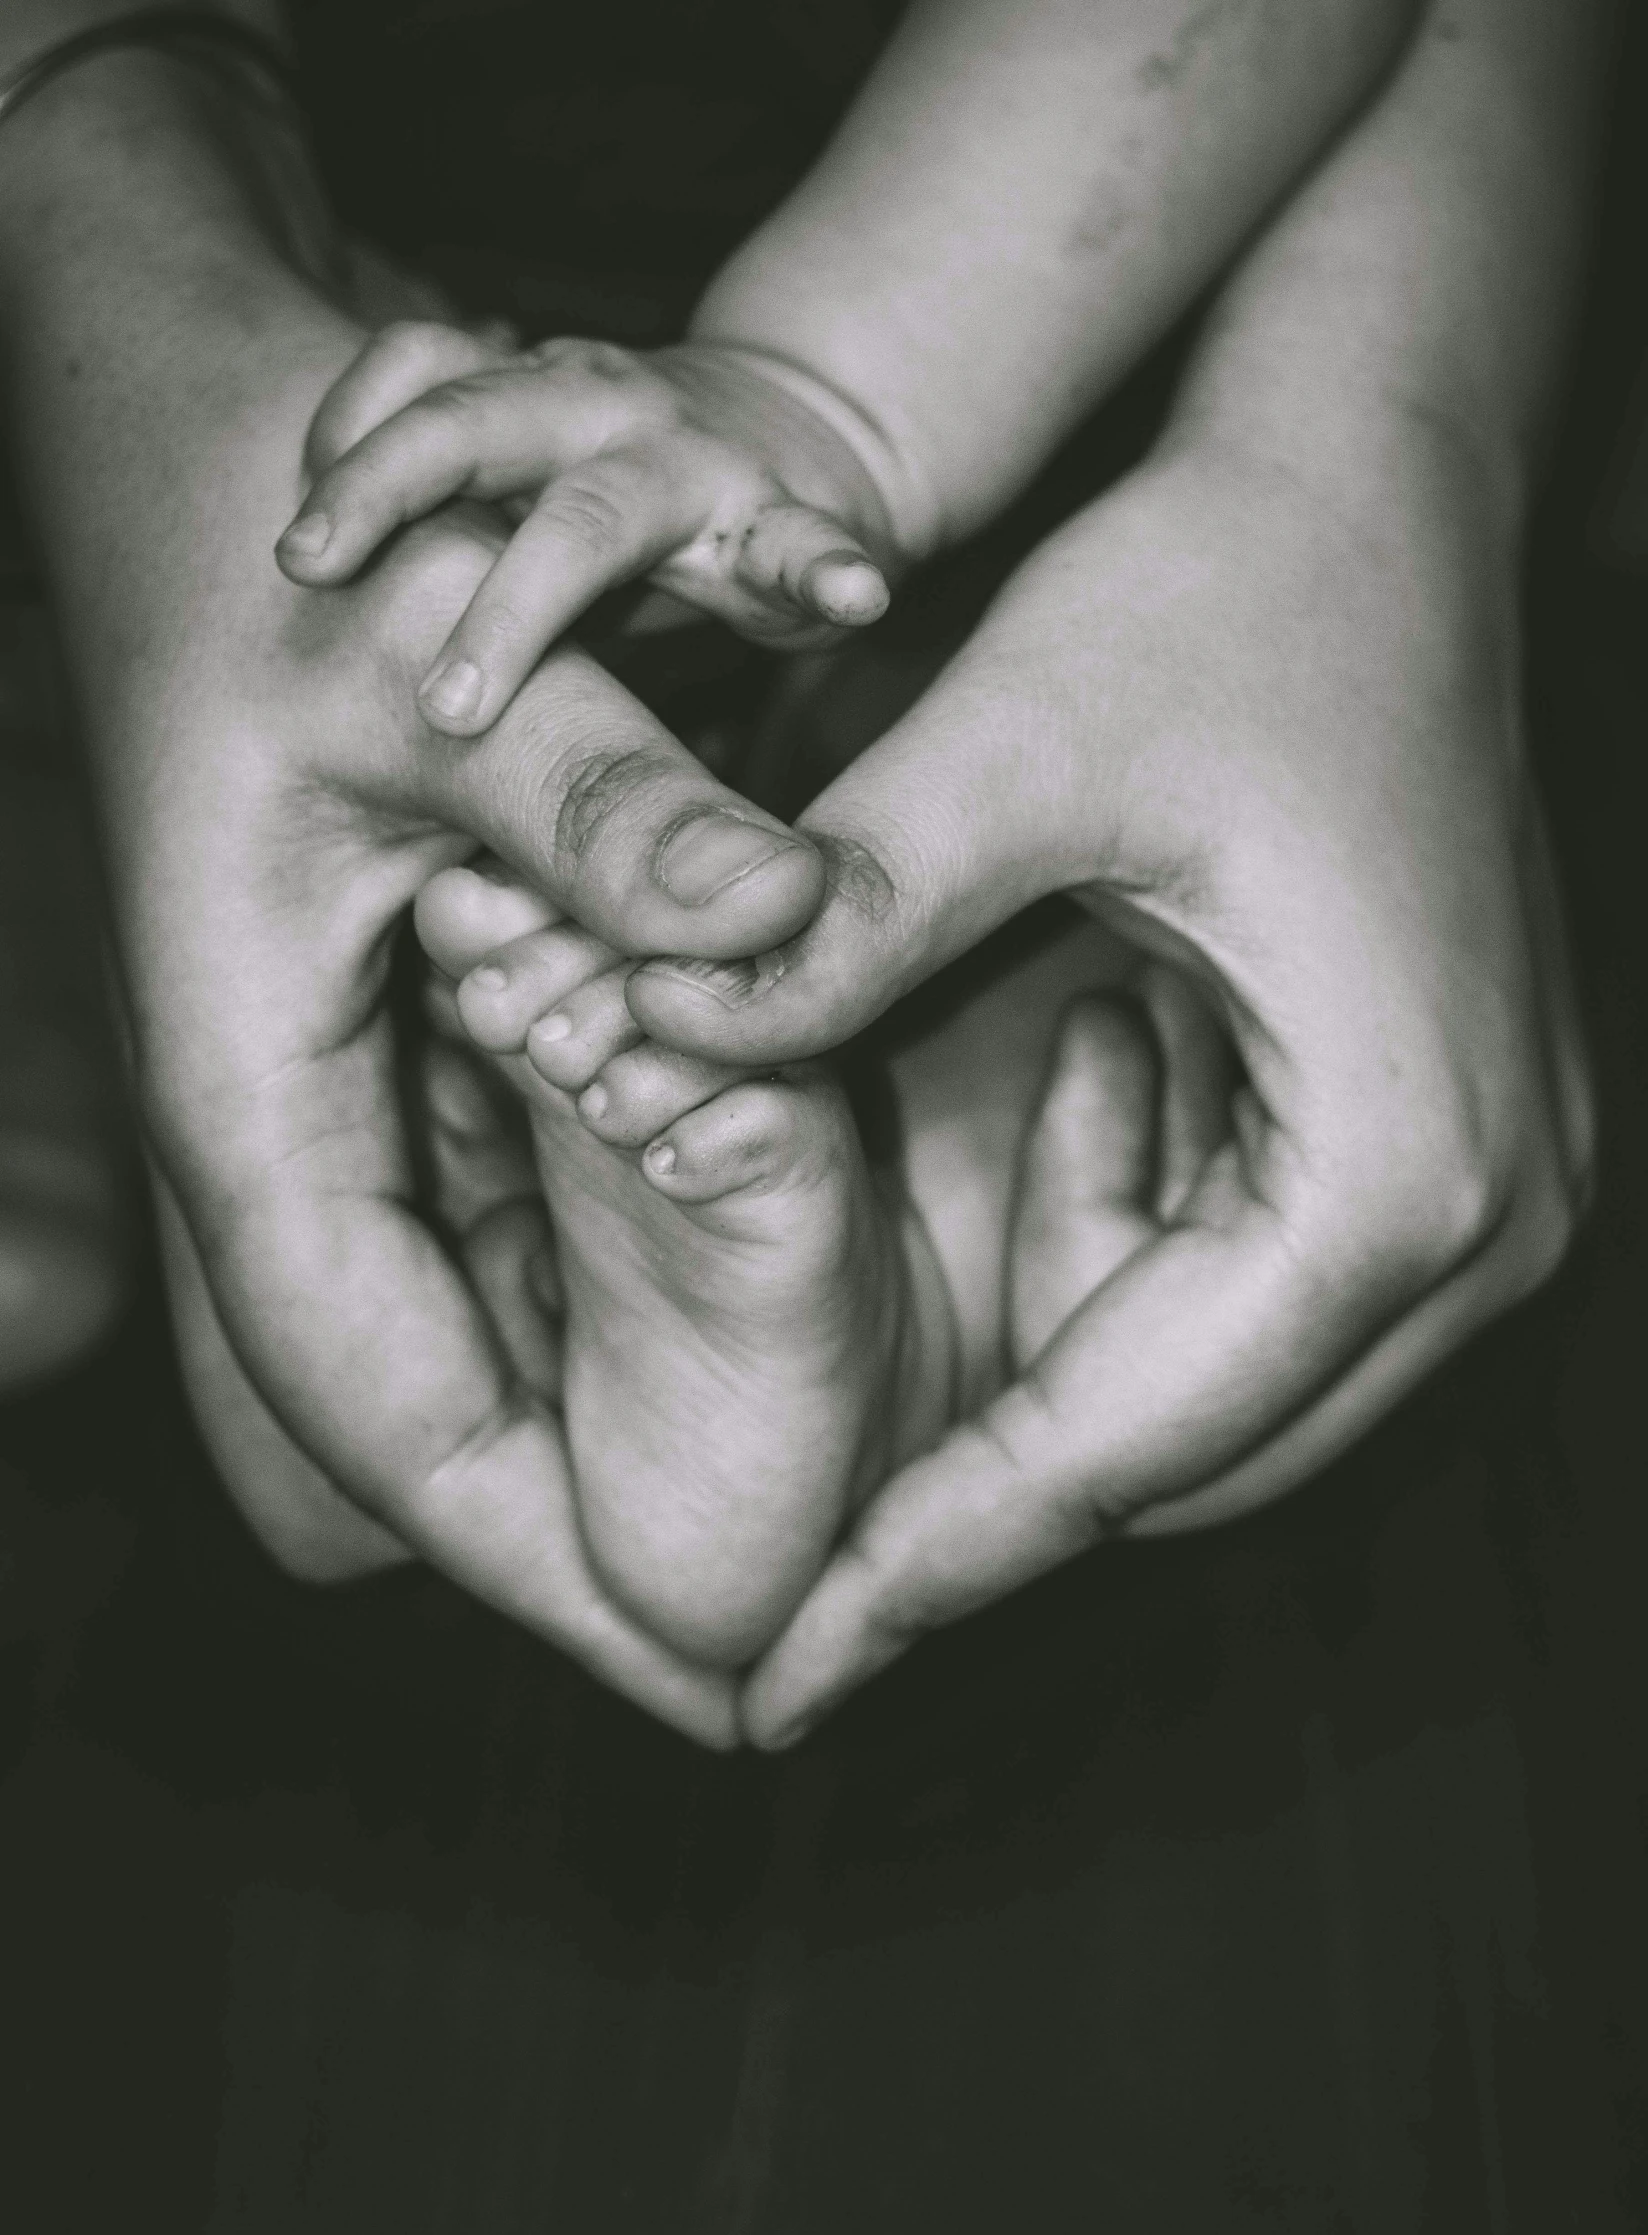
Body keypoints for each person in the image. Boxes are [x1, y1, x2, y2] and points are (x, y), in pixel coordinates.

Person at [0, 0, 1597, 1752]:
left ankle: (809, 1240)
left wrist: (840, 390)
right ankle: (868, 1230)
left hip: (1023, 348)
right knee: (984, 939)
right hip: (465, 356)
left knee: (986, 842)